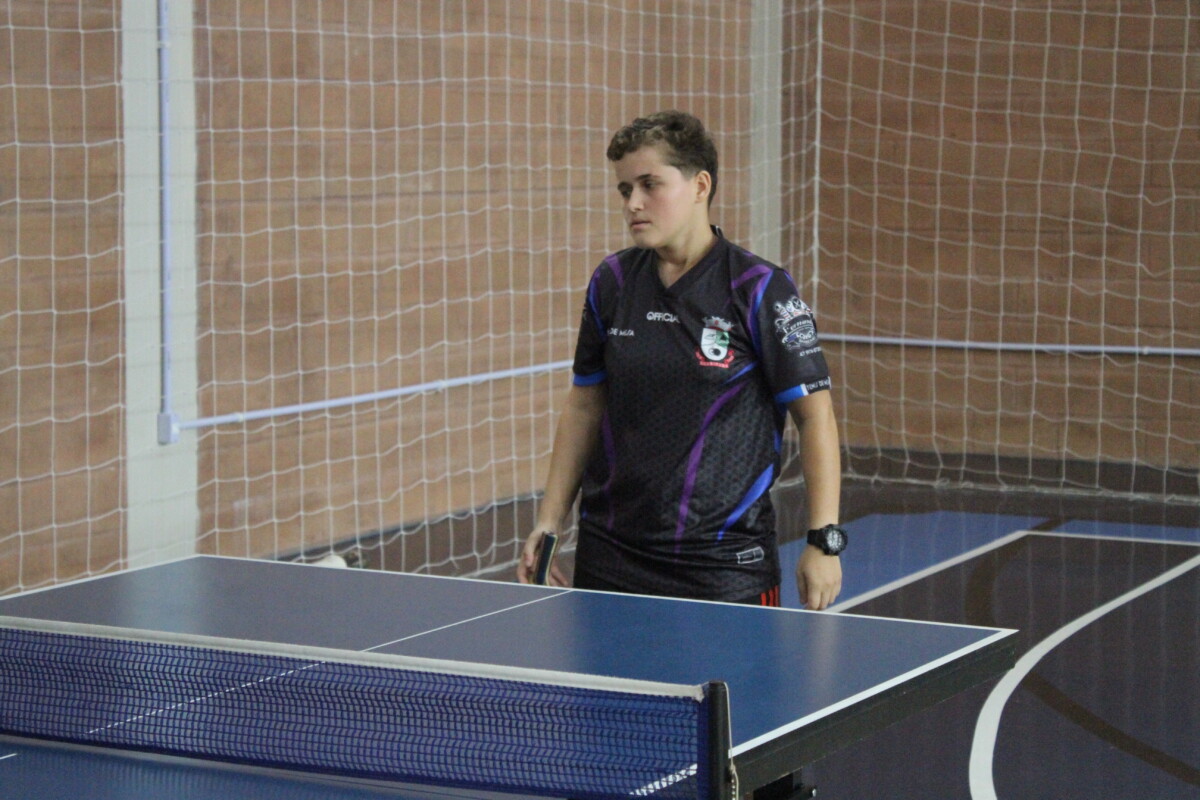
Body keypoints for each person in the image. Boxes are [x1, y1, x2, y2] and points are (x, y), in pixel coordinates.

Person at [517, 110, 845, 609]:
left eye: (650, 184)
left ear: (700, 186)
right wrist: (549, 521)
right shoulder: (613, 282)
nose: (633, 203)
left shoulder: (759, 289)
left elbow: (815, 416)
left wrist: (824, 541)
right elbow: (584, 405)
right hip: (610, 557)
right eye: (625, 189)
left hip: (722, 567)